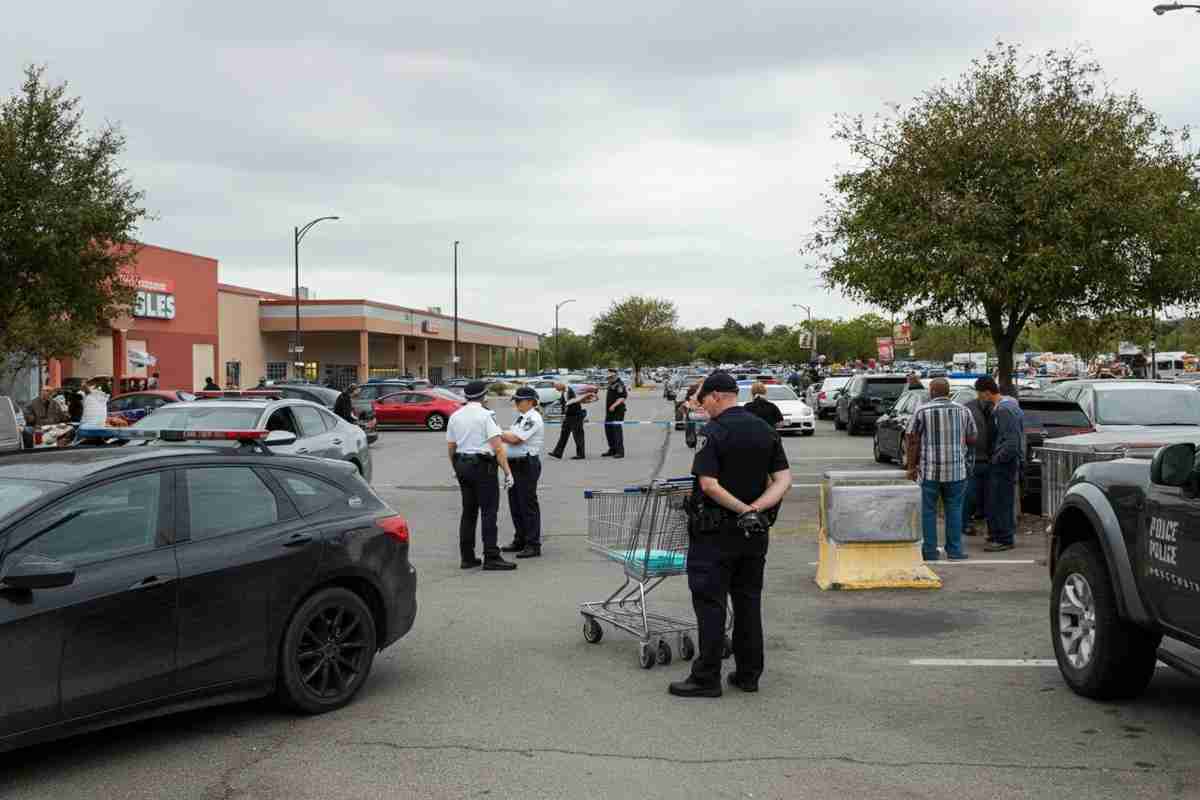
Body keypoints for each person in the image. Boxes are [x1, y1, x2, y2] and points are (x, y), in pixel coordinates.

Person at [668, 372, 792, 698]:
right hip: (754, 534)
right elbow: (782, 479)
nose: (703, 407)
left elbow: (709, 484)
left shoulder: (715, 431)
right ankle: (749, 674)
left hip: (716, 533)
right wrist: (755, 510)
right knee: (748, 602)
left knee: (711, 604)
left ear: (717, 396)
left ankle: (706, 677)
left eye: (704, 400)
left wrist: (741, 509)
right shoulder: (765, 430)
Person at [904, 377, 977, 561]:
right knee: (954, 510)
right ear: (948, 392)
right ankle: (955, 551)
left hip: (929, 471)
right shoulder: (964, 411)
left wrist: (911, 467)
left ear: (932, 391)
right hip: (957, 471)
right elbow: (973, 437)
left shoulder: (922, 411)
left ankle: (929, 552)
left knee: (928, 511)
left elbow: (912, 439)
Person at [446, 380, 516, 571]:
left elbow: (451, 447)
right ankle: (491, 556)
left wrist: (455, 467)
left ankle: (467, 557)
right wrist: (508, 473)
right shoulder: (486, 416)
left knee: (468, 512)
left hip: (461, 463)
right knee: (488, 511)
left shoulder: (455, 416)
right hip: (482, 466)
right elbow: (498, 447)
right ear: (483, 396)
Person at [977, 378, 1024, 552]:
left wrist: (997, 459)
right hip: (1006, 461)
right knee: (999, 499)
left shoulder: (1004, 409)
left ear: (986, 392)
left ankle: (1004, 538)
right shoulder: (1009, 405)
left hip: (1004, 464)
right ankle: (999, 535)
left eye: (980, 393)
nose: (979, 397)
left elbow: (1011, 441)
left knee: (1001, 500)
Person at [499, 386, 545, 558]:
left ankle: (533, 543)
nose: (516, 403)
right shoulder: (522, 417)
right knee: (516, 504)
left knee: (527, 504)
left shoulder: (533, 418)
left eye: (519, 400)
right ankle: (521, 538)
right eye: (516, 400)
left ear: (530, 402)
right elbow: (510, 436)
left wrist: (494, 431)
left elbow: (515, 439)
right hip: (515, 464)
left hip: (526, 464)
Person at [962, 379, 994, 537]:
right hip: (973, 459)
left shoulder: (997, 407)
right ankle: (966, 522)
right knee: (970, 494)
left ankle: (990, 525)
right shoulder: (968, 408)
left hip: (993, 459)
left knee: (990, 496)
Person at [548, 381, 587, 460]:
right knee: (563, 434)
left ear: (561, 385)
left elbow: (573, 402)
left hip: (576, 416)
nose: (556, 389)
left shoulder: (571, 391)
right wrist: (557, 403)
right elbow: (564, 401)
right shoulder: (564, 392)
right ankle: (557, 453)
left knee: (578, 435)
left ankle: (581, 454)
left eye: (557, 388)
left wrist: (565, 408)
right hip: (568, 416)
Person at [601, 369, 628, 459]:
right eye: (608, 377)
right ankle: (612, 449)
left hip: (617, 411)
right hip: (609, 412)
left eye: (610, 377)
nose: (609, 379)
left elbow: (622, 397)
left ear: (615, 376)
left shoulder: (619, 384)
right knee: (608, 430)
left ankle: (620, 452)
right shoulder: (611, 384)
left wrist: (614, 405)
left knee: (617, 431)